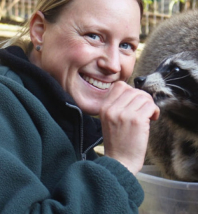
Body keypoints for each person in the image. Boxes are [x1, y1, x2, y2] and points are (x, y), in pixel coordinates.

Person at [0, 0, 160, 213]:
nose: (113, 65)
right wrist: (120, 163)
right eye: (93, 36)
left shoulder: (69, 117)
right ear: (40, 31)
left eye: (126, 46)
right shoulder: (5, 105)